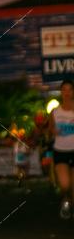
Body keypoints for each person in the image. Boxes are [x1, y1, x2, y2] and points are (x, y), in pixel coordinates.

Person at [50, 79, 74, 219]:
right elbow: (50, 129)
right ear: (61, 92)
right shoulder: (55, 112)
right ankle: (66, 198)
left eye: (69, 89)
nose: (66, 92)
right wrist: (53, 131)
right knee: (65, 185)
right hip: (61, 151)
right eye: (64, 89)